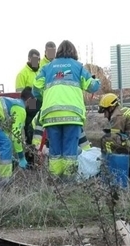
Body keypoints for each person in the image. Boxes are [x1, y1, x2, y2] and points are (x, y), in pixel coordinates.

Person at [33, 40, 100, 179]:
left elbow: (35, 89)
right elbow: (92, 86)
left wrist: (46, 96)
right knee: (70, 151)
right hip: (72, 115)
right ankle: (69, 182)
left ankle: (56, 181)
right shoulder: (78, 67)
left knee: (55, 152)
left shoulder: (47, 67)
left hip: (51, 115)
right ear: (74, 52)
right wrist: (97, 81)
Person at [16, 50, 41, 146]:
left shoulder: (40, 72)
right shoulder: (22, 74)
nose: (37, 62)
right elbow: (20, 94)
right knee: (30, 132)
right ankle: (30, 156)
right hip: (29, 106)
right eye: (35, 59)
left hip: (41, 103)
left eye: (38, 59)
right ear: (29, 59)